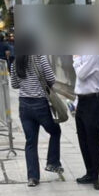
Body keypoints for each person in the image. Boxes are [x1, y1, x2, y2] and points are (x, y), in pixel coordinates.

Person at [10, 53, 63, 188]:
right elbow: (51, 79)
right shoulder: (40, 57)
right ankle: (52, 162)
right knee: (55, 131)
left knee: (30, 142)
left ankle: (32, 178)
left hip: (24, 106)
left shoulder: (16, 61)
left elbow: (15, 85)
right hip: (40, 104)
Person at [72, 50, 99, 189]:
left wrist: (76, 59)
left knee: (92, 140)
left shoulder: (93, 52)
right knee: (82, 139)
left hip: (92, 101)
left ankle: (97, 176)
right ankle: (89, 172)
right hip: (81, 100)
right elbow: (79, 81)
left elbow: (81, 74)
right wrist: (76, 103)